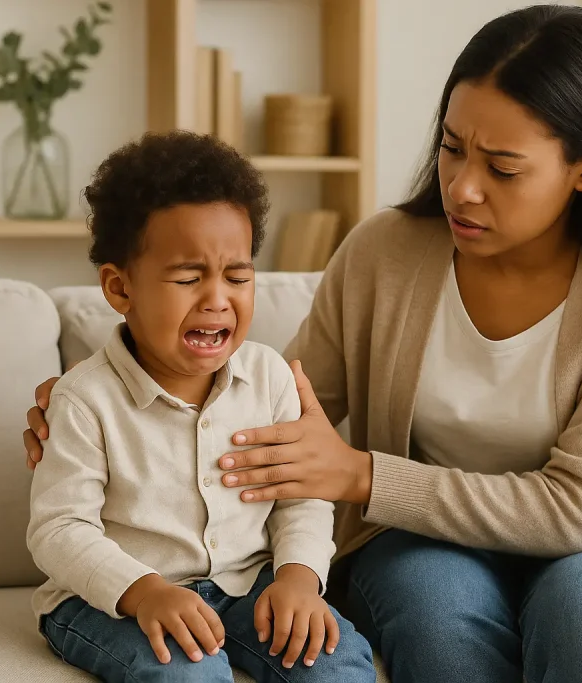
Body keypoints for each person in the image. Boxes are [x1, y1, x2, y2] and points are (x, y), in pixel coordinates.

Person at [25, 6, 582, 683]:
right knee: (434, 618)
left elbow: (577, 510)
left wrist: (363, 476)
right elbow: (273, 416)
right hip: (425, 543)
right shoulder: (388, 250)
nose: (461, 187)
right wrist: (115, 396)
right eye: (452, 148)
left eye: (503, 167)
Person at [25, 131, 376, 683]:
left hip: (246, 583)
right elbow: (59, 529)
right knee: (189, 673)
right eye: (189, 278)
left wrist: (298, 578)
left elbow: (301, 497)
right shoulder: (84, 399)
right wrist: (145, 593)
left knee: (334, 662)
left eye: (237, 276)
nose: (218, 298)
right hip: (112, 597)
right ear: (120, 288)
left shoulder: (271, 378)